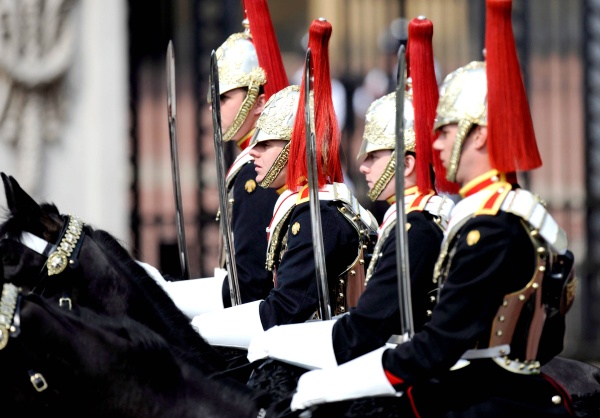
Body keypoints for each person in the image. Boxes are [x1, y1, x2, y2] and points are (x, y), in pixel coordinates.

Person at [289, 2, 576, 416]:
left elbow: (438, 345)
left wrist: (333, 382)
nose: (436, 145)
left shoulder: (488, 228)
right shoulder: (518, 212)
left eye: (445, 131)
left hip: (487, 399)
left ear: (479, 136)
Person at [246, 16, 455, 370]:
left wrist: (275, 340)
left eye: (374, 156)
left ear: (405, 164)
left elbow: (365, 330)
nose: (363, 167)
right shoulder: (408, 221)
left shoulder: (414, 229)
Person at [190, 18, 378, 350]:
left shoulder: (317, 215)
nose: (255, 153)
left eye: (265, 145)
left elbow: (280, 307)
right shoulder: (298, 205)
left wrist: (195, 329)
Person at [158, 0, 288, 316]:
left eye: (225, 97)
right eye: (213, 98)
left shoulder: (256, 172)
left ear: (258, 101)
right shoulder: (253, 162)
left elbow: (249, 285)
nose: (214, 108)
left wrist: (172, 297)